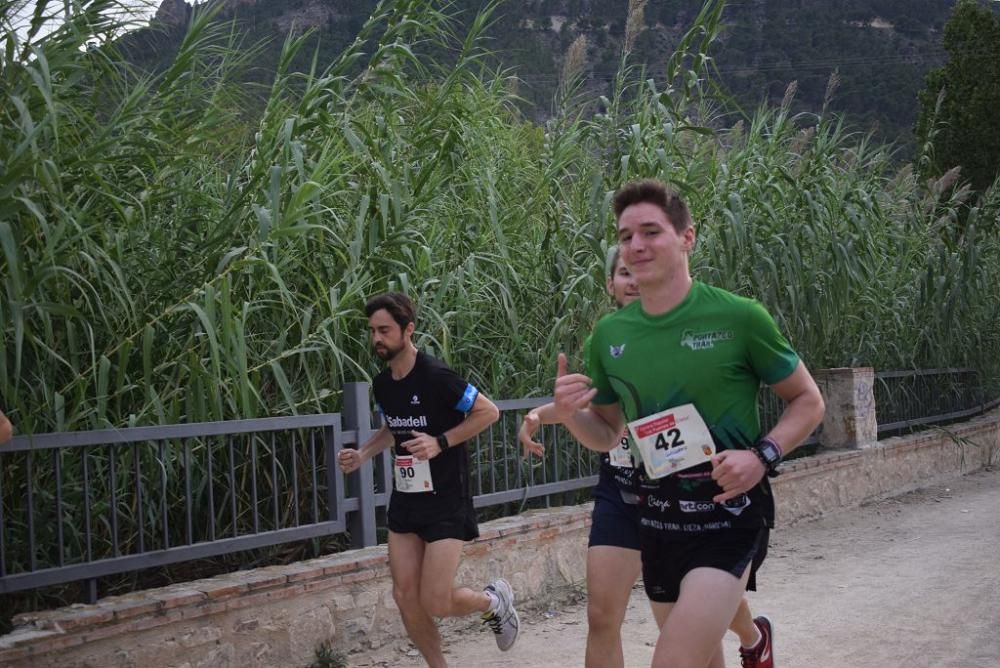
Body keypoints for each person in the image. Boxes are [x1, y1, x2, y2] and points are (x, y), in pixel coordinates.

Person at [548, 179, 825, 668]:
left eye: (650, 231)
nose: (635, 245)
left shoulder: (739, 317)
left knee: (673, 660)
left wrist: (762, 456)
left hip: (730, 517)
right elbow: (609, 432)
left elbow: (808, 401)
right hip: (658, 522)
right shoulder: (610, 334)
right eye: (625, 235)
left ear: (687, 238)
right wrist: (572, 418)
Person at [520, 249, 772, 668]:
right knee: (602, 616)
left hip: (688, 497)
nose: (634, 280)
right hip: (622, 493)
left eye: (641, 270)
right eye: (624, 273)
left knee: (696, 620)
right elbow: (599, 416)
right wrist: (543, 415)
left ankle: (752, 635)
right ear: (610, 285)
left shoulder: (690, 335)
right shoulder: (607, 341)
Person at [337, 292, 519, 667]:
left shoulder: (436, 376)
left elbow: (489, 412)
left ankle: (493, 602)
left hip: (446, 498)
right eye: (372, 331)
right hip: (407, 498)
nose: (376, 339)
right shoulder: (383, 383)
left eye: (384, 330)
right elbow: (393, 429)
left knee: (435, 599)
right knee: (405, 596)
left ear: (408, 329)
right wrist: (363, 454)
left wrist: (440, 442)